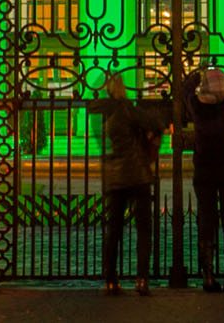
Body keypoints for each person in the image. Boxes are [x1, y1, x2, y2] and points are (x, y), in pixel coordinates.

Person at [94, 71, 164, 295]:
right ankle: (142, 278)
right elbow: (155, 122)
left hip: (115, 176)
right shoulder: (127, 109)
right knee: (143, 230)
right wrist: (151, 140)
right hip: (138, 175)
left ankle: (111, 279)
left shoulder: (102, 113)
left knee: (114, 230)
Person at [179, 66, 224, 291]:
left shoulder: (197, 107)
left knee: (206, 222)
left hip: (205, 171)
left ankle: (208, 276)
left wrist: (197, 74)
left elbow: (185, 91)